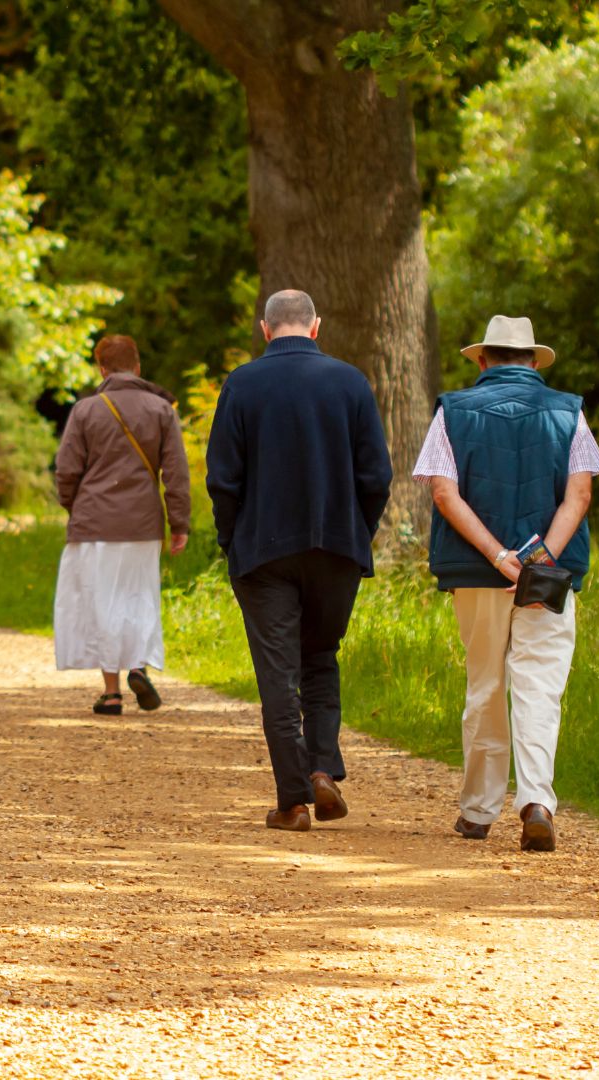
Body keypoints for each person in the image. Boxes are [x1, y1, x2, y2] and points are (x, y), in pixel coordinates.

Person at [205, 289, 393, 832]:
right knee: (320, 656)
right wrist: (358, 532)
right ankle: (322, 768)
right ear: (316, 327)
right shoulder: (351, 382)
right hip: (336, 547)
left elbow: (223, 478)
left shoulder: (241, 383)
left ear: (265, 330)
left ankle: (292, 800)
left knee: (277, 673)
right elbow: (376, 478)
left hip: (263, 551)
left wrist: (231, 542)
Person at [415, 315, 599, 852]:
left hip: (478, 572)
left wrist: (500, 557)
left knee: (485, 686)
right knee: (540, 685)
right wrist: (541, 558)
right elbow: (580, 496)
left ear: (482, 359)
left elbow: (445, 495)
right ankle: (537, 802)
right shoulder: (570, 412)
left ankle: (477, 812)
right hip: (550, 574)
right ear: (534, 362)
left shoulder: (451, 411)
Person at [52, 335, 192, 714]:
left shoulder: (85, 411)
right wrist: (179, 522)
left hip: (94, 522)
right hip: (143, 525)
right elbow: (175, 474)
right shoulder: (162, 409)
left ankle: (111, 693)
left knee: (101, 603)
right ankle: (138, 666)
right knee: (138, 596)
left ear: (101, 369)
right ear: (138, 367)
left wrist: (75, 507)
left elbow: (66, 472)